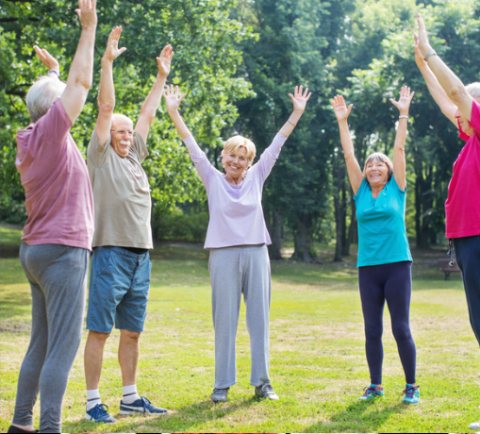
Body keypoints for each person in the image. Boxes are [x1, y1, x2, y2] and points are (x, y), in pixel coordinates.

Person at [164, 83, 311, 403]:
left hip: (256, 253)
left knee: (259, 320)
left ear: (249, 161)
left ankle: (262, 382)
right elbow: (190, 144)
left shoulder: (258, 175)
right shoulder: (211, 176)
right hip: (223, 256)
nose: (237, 161)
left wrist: (296, 113)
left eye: (243, 157)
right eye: (232, 155)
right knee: (225, 321)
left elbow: (277, 144)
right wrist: (173, 111)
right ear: (223, 155)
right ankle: (221, 385)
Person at [8, 1, 97, 433]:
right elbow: (80, 83)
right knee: (63, 345)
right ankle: (49, 428)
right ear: (55, 110)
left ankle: (21, 423)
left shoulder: (33, 138)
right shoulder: (50, 134)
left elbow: (55, 94)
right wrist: (88, 28)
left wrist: (53, 70)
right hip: (62, 250)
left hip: (36, 249)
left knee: (41, 342)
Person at [83, 27, 173, 423]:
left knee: (132, 332)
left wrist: (161, 77)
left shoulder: (134, 156)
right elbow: (106, 108)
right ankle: (91, 402)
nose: (124, 136)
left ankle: (131, 397)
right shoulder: (101, 156)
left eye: (126, 132)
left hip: (141, 257)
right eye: (118, 131)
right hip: (109, 253)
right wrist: (106, 62)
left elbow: (147, 113)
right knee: (100, 331)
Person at [332, 86, 420, 405]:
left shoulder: (397, 189)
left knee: (400, 328)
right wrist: (343, 121)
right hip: (368, 268)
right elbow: (348, 155)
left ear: (389, 170)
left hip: (397, 265)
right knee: (372, 330)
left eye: (379, 165)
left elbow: (399, 148)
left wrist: (403, 113)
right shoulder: (360, 192)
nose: (373, 168)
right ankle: (376, 385)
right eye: (370, 165)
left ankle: (411, 385)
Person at [415, 13, 480, 428]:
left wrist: (432, 49)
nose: (455, 115)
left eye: (463, 110)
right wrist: (421, 61)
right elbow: (446, 100)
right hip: (469, 241)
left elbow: (454, 91)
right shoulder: (470, 138)